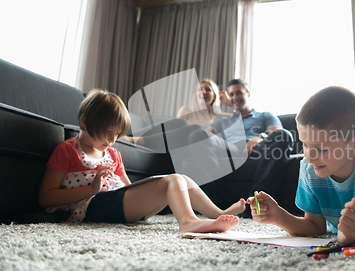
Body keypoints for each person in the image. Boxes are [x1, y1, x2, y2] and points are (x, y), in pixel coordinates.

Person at [38, 89, 245, 233]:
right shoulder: (67, 150)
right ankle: (188, 222)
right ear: (85, 122)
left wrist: (149, 191)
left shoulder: (113, 154)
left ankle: (219, 213)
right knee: (172, 182)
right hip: (91, 206)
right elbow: (46, 199)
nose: (112, 140)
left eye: (117, 134)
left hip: (120, 203)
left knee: (182, 179)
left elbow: (128, 187)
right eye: (108, 132)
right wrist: (92, 188)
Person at [247, 86, 355, 244]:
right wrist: (279, 217)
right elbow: (315, 226)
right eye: (305, 145)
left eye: (321, 149)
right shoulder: (309, 168)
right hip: (343, 228)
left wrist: (349, 237)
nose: (309, 158)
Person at [206, 79, 294, 217]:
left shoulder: (264, 115)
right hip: (231, 150)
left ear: (248, 94)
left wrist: (260, 137)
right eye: (232, 94)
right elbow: (202, 137)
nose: (235, 97)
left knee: (284, 135)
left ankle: (255, 202)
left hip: (259, 149)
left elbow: (276, 131)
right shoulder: (222, 122)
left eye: (239, 93)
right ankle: (220, 206)